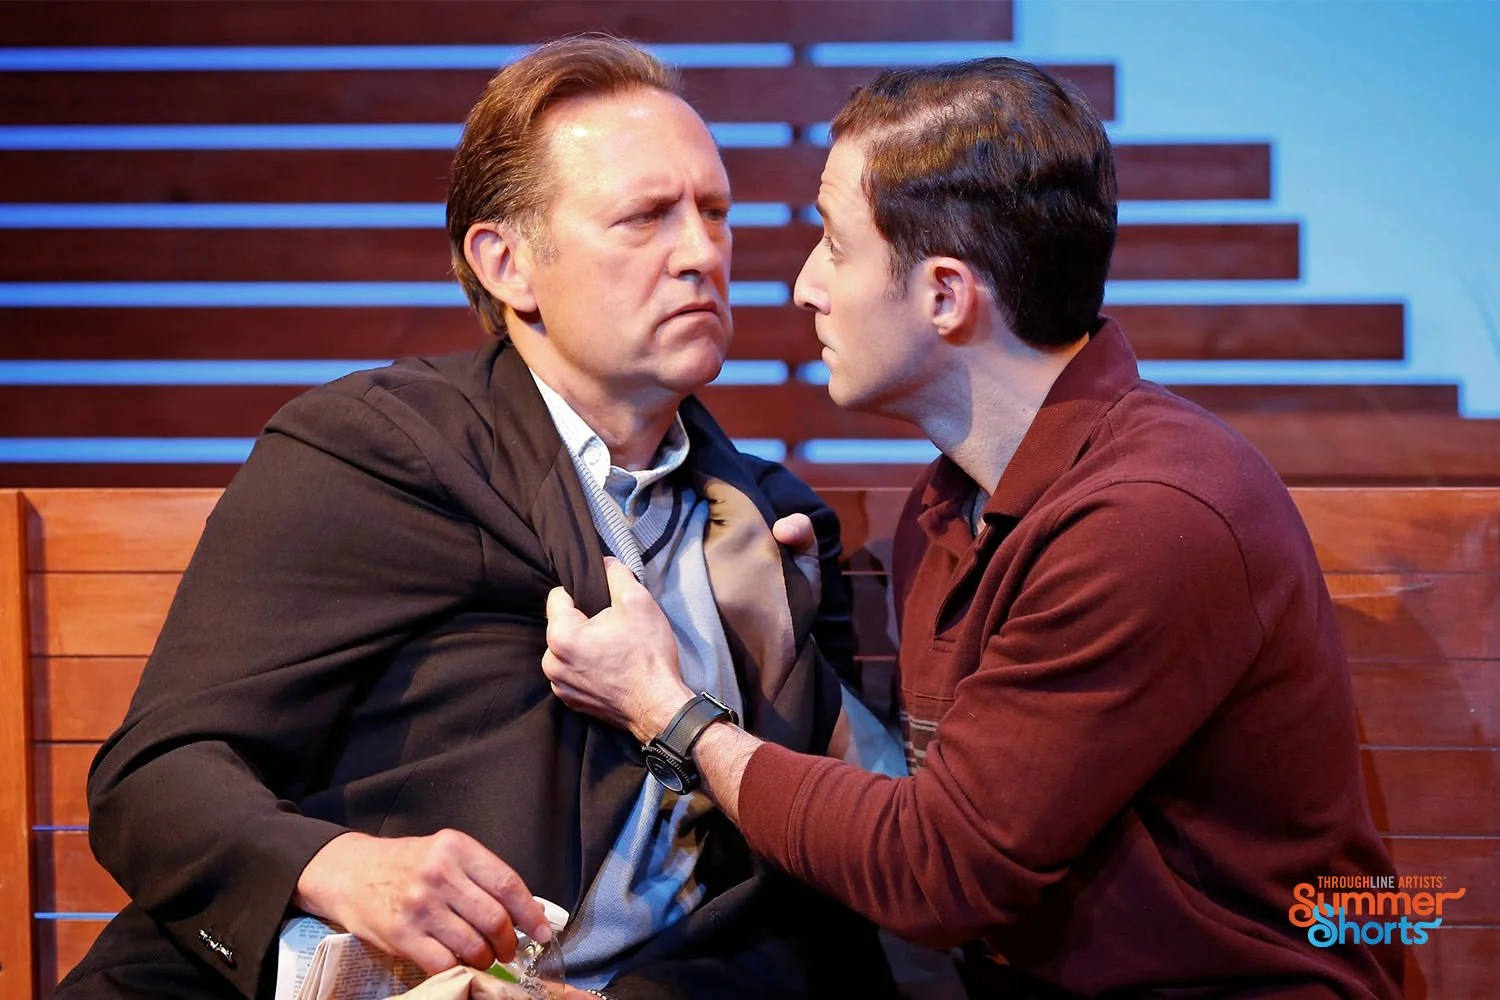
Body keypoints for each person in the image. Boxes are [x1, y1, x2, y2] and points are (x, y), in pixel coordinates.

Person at [541, 57, 1406, 999]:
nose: (803, 287)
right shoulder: (953, 503)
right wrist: (778, 634)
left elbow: (938, 871)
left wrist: (667, 712)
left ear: (946, 296)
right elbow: (932, 806)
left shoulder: (1149, 516)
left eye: (835, 246)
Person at [56, 36, 895, 1000]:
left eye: (714, 212)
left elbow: (815, 888)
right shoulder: (378, 447)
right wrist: (338, 867)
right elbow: (153, 778)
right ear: (507, 264)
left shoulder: (772, 527)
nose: (703, 255)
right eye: (644, 218)